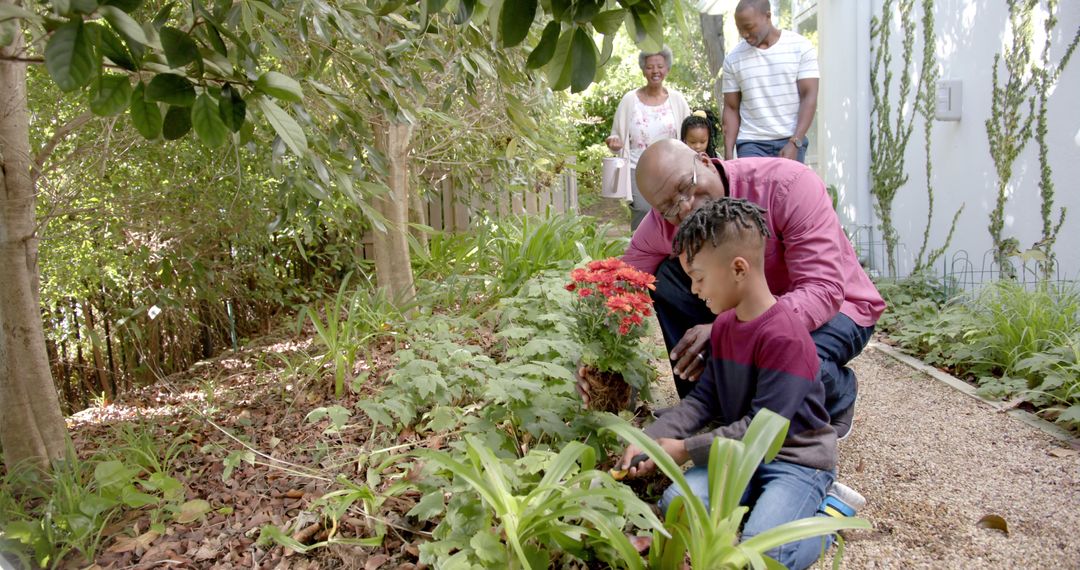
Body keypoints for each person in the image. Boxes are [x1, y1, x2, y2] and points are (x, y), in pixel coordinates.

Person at [609, 139, 885, 439]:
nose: (685, 207)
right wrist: (595, 352)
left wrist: (729, 329)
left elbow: (822, 289)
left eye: (686, 187)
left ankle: (840, 392)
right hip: (743, 312)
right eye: (670, 207)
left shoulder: (788, 185)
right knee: (669, 277)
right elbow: (624, 283)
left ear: (704, 161)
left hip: (839, 309)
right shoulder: (665, 222)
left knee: (787, 365)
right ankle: (705, 400)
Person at [617, 198, 836, 570]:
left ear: (738, 269)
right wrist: (650, 441)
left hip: (796, 461)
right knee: (677, 506)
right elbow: (704, 401)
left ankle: (826, 519)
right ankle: (758, 506)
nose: (694, 289)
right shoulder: (724, 326)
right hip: (738, 456)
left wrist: (685, 449)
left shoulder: (786, 337)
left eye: (699, 277)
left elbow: (762, 434)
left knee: (765, 554)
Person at [722, 0, 819, 163]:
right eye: (740, 29)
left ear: (767, 16)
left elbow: (809, 96)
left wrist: (795, 142)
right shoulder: (733, 59)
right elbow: (731, 108)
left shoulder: (800, 47)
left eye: (749, 27)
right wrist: (729, 154)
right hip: (751, 143)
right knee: (754, 190)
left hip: (790, 139)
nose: (744, 34)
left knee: (788, 189)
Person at [606, 46, 691, 230]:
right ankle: (638, 257)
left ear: (667, 69)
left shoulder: (677, 100)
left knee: (673, 216)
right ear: (643, 70)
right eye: (650, 67)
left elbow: (689, 136)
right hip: (638, 169)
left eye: (659, 66)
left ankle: (670, 257)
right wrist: (614, 143)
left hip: (672, 171)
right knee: (643, 214)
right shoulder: (630, 100)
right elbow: (616, 137)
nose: (655, 71)